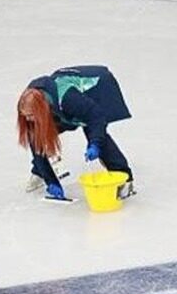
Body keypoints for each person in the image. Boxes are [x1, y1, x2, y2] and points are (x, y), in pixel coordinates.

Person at [17, 65, 134, 203]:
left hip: (96, 90)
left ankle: (124, 176)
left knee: (97, 135)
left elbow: (95, 117)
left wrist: (95, 143)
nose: (28, 119)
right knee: (40, 134)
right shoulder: (30, 98)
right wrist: (51, 181)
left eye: (31, 115)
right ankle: (40, 171)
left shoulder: (68, 98)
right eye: (25, 116)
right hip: (62, 107)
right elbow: (36, 143)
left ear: (41, 109)